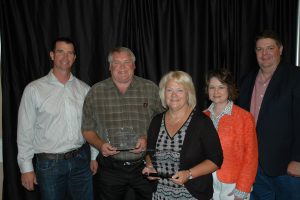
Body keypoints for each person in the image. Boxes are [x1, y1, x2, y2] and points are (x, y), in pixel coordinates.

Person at [81, 47, 164, 200]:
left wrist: (147, 138)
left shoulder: (150, 88)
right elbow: (87, 129)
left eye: (127, 62)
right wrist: (100, 145)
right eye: (117, 63)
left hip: (145, 164)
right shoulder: (96, 92)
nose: (122, 67)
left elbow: (163, 123)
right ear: (109, 66)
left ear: (134, 65)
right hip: (111, 168)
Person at [17, 37, 94, 200]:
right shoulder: (34, 89)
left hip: (81, 161)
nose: (65, 57)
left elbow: (92, 126)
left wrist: (94, 156)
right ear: (52, 55)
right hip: (49, 165)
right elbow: (25, 130)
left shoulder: (85, 89)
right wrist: (26, 168)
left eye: (70, 53)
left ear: (74, 58)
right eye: (60, 52)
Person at [238, 30, 300, 200]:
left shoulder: (295, 76)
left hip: (287, 167)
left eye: (270, 48)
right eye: (259, 49)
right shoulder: (246, 80)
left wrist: (298, 159)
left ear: (280, 50)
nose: (264, 54)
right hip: (253, 166)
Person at [142, 71, 223, 200]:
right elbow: (149, 152)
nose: (174, 95)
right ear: (163, 93)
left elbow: (215, 159)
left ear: (188, 93)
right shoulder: (156, 121)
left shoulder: (202, 122)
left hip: (192, 194)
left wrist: (189, 174)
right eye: (169, 90)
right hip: (160, 194)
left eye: (179, 90)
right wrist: (150, 166)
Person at [204, 69, 258, 200]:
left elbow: (251, 156)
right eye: (212, 87)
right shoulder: (202, 116)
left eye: (221, 87)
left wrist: (243, 188)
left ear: (229, 89)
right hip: (206, 181)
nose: (216, 92)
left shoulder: (244, 117)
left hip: (233, 184)